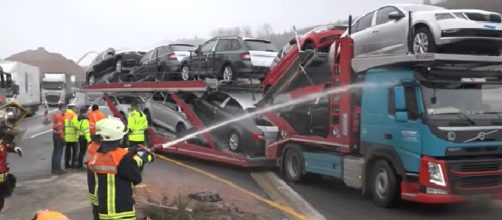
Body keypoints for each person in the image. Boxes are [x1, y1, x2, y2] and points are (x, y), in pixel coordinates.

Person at [87, 118, 154, 220]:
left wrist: (132, 150)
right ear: (118, 136)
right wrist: (144, 157)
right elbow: (136, 178)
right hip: (121, 210)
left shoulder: (98, 154)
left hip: (104, 210)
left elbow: (114, 156)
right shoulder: (122, 158)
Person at [0, 114, 23, 212]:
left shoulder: (1, 142)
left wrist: (13, 148)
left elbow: (4, 145)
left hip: (2, 178)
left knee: (1, 203)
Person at [51, 103, 66, 174]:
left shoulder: (56, 115)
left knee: (55, 152)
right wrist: (63, 138)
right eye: (65, 108)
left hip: (55, 135)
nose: (65, 109)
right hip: (58, 136)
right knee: (58, 153)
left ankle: (54, 168)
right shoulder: (60, 116)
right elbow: (60, 129)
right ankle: (57, 169)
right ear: (62, 108)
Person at [64, 103, 79, 169]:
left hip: (67, 136)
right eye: (75, 107)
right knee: (75, 152)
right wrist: (79, 128)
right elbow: (76, 125)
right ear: (72, 108)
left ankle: (66, 164)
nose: (76, 109)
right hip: (73, 137)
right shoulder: (73, 114)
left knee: (67, 152)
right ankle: (73, 165)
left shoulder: (65, 113)